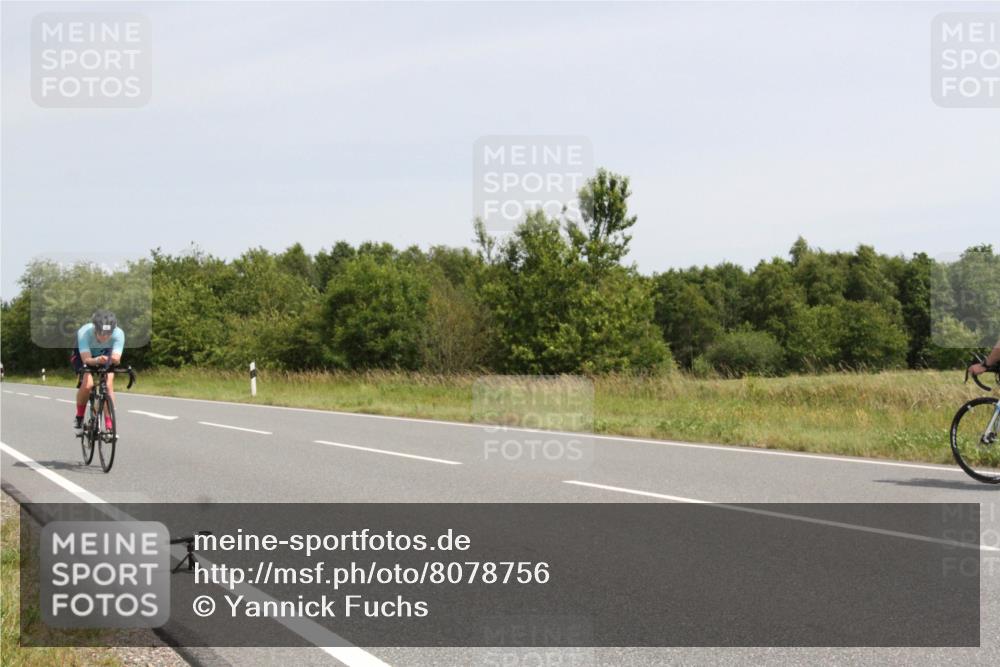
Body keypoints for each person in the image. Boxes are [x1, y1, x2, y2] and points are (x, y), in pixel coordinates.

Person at [71, 310, 125, 432]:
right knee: (88, 384)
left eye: (108, 333)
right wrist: (96, 360)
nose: (105, 337)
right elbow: (86, 359)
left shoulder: (118, 333)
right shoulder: (84, 332)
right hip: (84, 356)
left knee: (108, 384)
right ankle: (79, 416)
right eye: (101, 333)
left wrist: (113, 360)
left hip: (105, 354)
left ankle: (109, 423)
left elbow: (117, 358)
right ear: (95, 329)